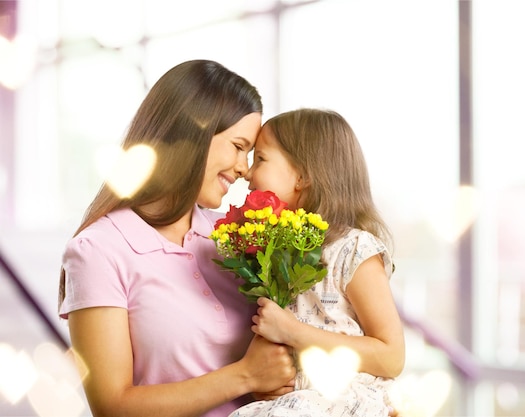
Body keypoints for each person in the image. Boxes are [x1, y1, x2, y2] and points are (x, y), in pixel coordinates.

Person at [57, 59, 296, 417]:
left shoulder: (233, 234)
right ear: (193, 134)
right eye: (238, 145)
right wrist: (245, 376)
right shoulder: (98, 251)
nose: (245, 168)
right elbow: (112, 406)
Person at [230, 108, 406, 417]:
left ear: (303, 177)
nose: (246, 172)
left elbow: (391, 357)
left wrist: (292, 332)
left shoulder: (354, 250)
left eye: (260, 159)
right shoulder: (277, 252)